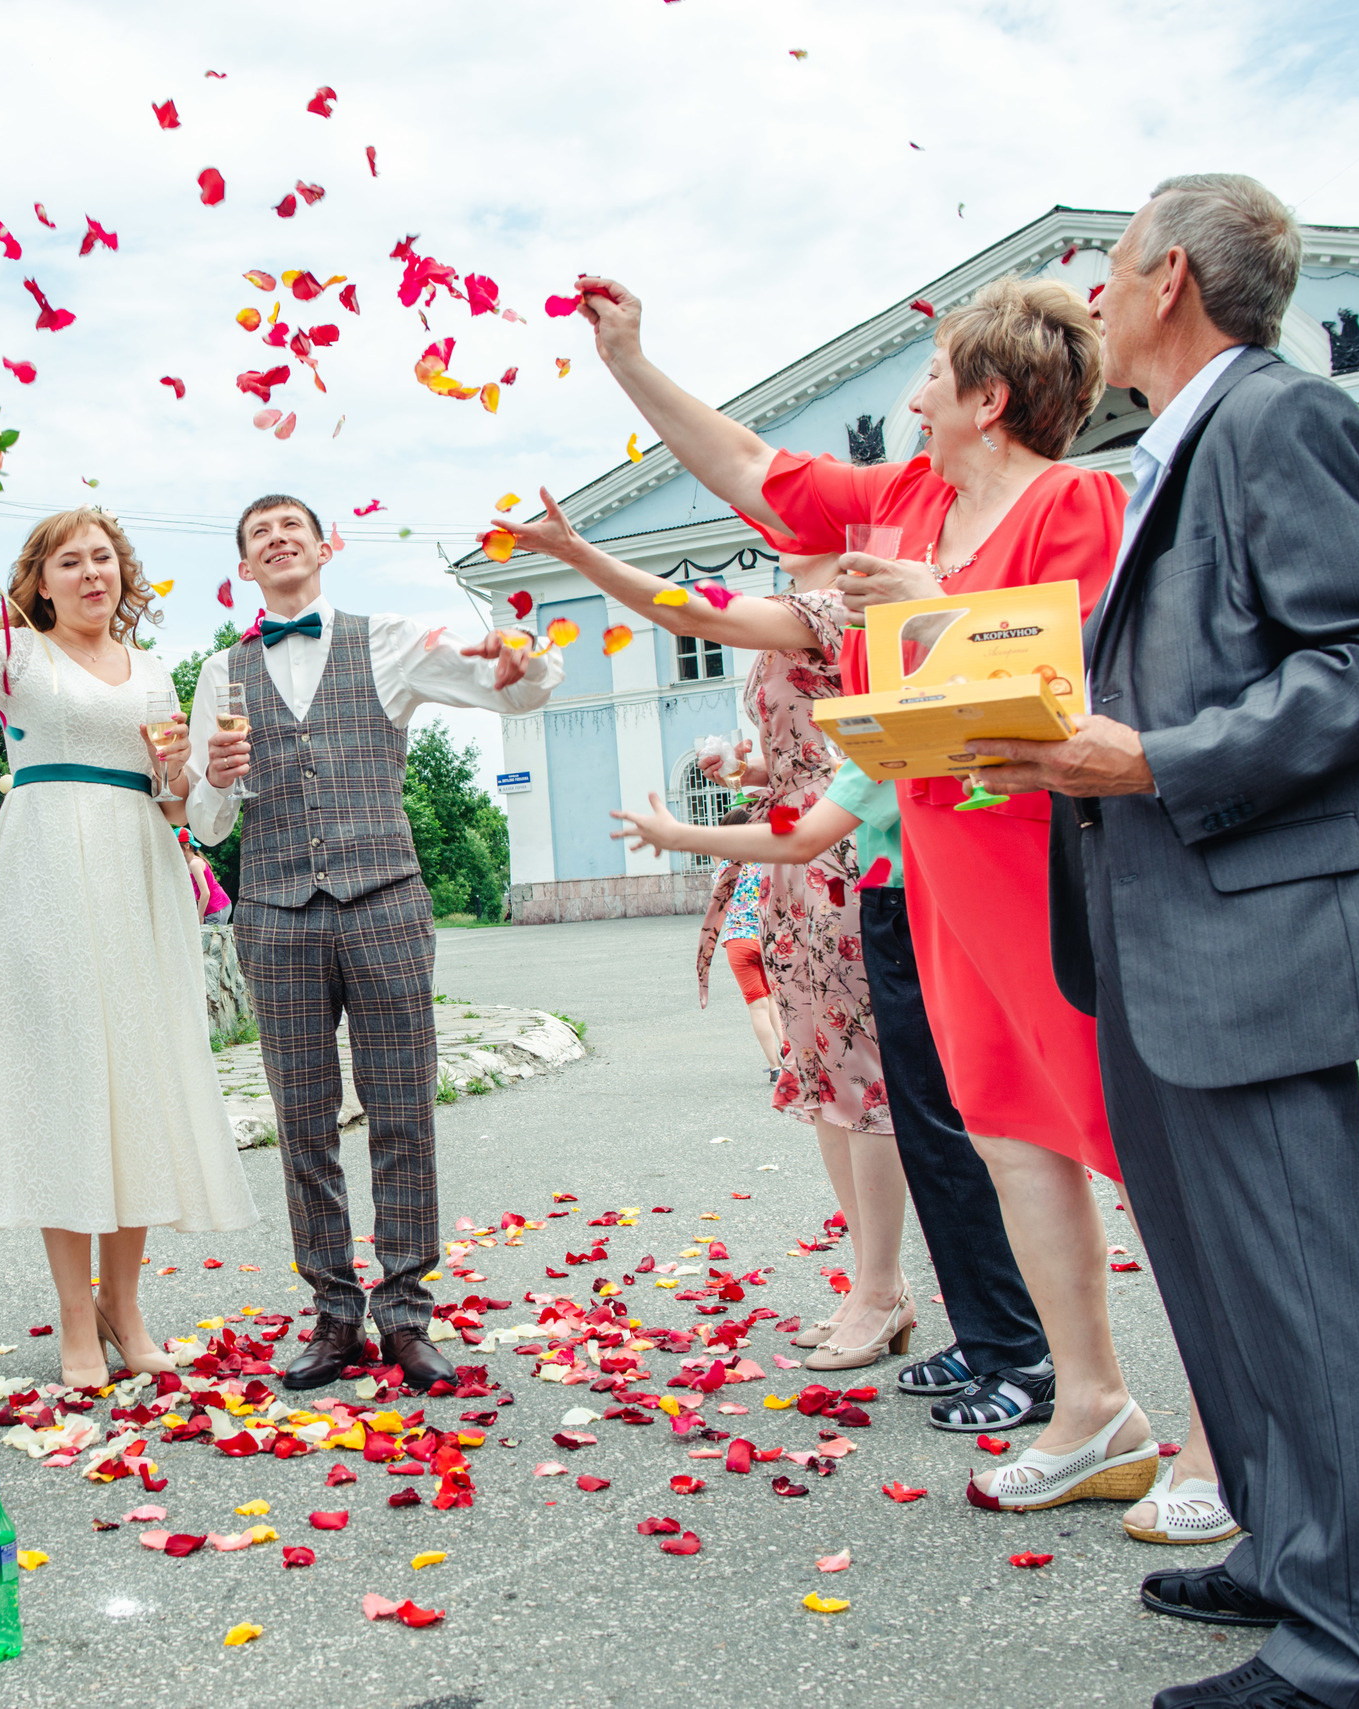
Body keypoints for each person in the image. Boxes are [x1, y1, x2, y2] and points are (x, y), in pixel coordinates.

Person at [554, 269, 1225, 1521]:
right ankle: (1093, 1409)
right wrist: (629, 362)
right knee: (1010, 1135)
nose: (911, 401)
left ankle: (1227, 1440)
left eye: (930, 376)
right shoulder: (907, 502)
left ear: (988, 396)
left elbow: (1088, 675)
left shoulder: (1077, 501)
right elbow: (750, 466)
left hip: (1054, 861)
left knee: (1140, 1147)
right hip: (939, 869)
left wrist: (934, 611)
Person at [969, 174, 1359, 1709]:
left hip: (1249, 926)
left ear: (1172, 281)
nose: (1095, 295)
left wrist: (1155, 760)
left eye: (1113, 267)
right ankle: (1290, 1554)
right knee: (1219, 1281)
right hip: (1161, 920)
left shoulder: (1280, 416)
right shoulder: (1182, 445)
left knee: (1301, 1286)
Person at [492, 524, 904, 1371]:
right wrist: (756, 775)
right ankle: (871, 1283)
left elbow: (694, 613)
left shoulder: (836, 601)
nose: (769, 518)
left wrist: (581, 554)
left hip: (833, 852)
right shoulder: (802, 606)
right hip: (795, 852)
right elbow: (807, 745)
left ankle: (883, 1285)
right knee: (822, 1078)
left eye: (789, 507)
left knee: (860, 1079)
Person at [189, 495, 560, 1393]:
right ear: (244, 566)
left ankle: (404, 1314)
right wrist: (215, 780)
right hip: (275, 911)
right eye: (259, 533)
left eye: (292, 527)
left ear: (326, 547)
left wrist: (525, 658)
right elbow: (204, 822)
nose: (278, 539)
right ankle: (333, 1313)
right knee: (303, 1121)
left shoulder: (388, 640)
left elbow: (510, 687)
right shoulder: (219, 672)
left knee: (401, 1108)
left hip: (385, 901)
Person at [0, 506, 255, 1388]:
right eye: (71, 561)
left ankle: (123, 1307)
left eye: (104, 557)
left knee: (134, 1086)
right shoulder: (18, 655)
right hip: (45, 875)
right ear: (41, 580)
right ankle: (73, 1314)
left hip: (138, 875)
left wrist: (193, 774)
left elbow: (171, 795)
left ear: (122, 573)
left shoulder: (155, 671)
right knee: (63, 1087)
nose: (92, 572)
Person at [618, 760, 1056, 1425]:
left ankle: (1020, 1353)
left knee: (954, 1140)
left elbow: (805, 834)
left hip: (922, 899)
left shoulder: (884, 737)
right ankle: (989, 1338)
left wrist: (680, 835)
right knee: (933, 1140)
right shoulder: (871, 746)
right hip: (890, 901)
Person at [702, 822, 785, 1080]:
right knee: (772, 998)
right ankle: (788, 1051)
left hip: (738, 942)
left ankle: (775, 1067)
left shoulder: (726, 870)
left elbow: (717, 890)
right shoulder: (764, 865)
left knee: (757, 1005)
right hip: (765, 938)